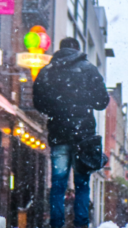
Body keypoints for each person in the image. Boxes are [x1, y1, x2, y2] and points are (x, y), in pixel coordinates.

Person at [34, 38, 111, 228]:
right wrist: (85, 99)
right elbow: (102, 101)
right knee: (82, 184)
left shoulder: (48, 71)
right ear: (78, 50)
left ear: (60, 50)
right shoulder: (89, 69)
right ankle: (81, 224)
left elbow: (38, 103)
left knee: (58, 185)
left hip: (59, 134)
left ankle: (56, 224)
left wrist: (56, 108)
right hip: (84, 137)